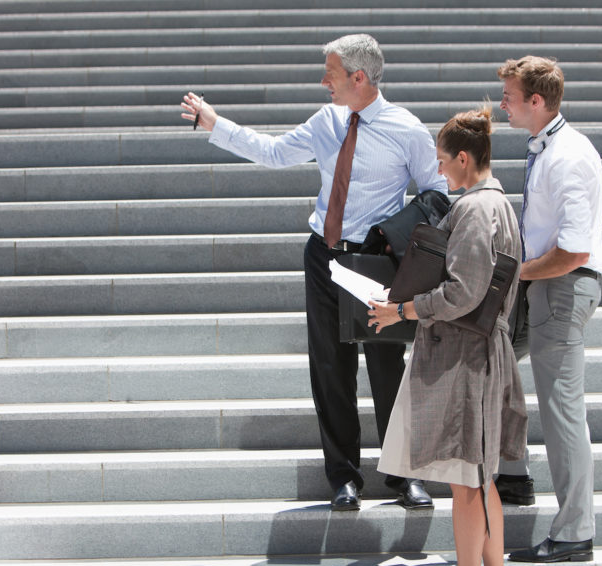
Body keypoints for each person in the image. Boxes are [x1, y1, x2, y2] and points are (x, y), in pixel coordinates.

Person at [180, 34, 447, 511]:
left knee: (388, 368)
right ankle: (344, 477)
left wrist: (391, 233)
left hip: (376, 261)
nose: (324, 80)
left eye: (330, 72)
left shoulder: (406, 129)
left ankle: (405, 475)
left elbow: (437, 192)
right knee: (330, 367)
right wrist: (216, 125)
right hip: (325, 257)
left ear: (358, 78)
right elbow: (275, 151)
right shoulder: (328, 121)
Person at [369, 104, 527, 566]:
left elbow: (464, 292)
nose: (438, 171)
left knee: (465, 486)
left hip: (467, 359)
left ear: (464, 158)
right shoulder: (497, 203)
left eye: (442, 161)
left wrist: (404, 310)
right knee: (482, 483)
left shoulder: (477, 208)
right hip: (480, 354)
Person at [495, 56, 602, 563]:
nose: (503, 104)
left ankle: (574, 532)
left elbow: (575, 250)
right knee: (495, 364)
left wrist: (515, 273)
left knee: (562, 411)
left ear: (536, 101)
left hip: (561, 287)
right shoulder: (547, 147)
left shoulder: (567, 156)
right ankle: (513, 475)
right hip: (542, 286)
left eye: (510, 97)